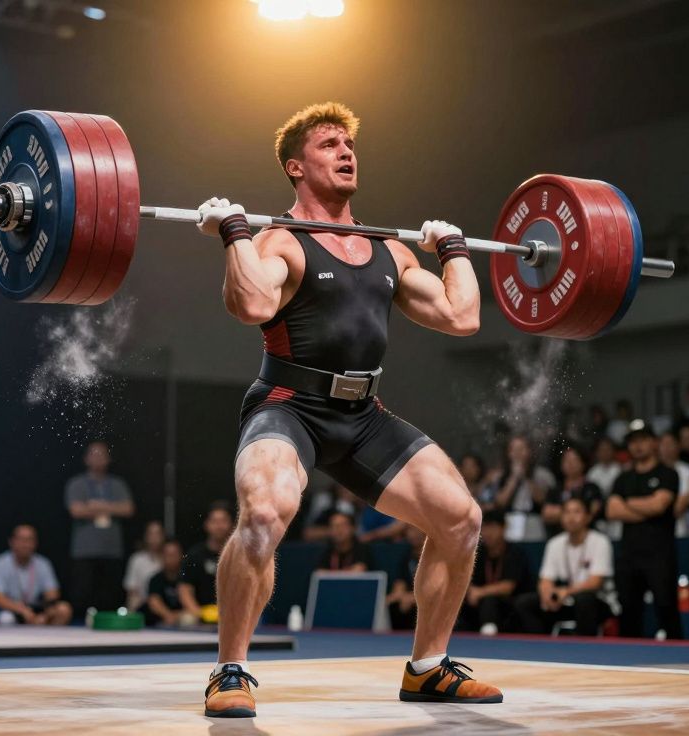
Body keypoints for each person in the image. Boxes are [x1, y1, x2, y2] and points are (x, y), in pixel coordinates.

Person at [195, 102, 500, 717]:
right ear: (295, 167)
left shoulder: (387, 248)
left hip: (363, 417)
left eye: (349, 143)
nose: (346, 151)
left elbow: (461, 316)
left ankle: (428, 669)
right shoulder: (280, 239)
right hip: (289, 406)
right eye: (329, 143)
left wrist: (455, 249)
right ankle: (231, 670)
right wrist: (233, 233)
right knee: (263, 514)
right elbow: (251, 305)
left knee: (461, 519)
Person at [607, 428, 681, 638]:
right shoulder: (623, 478)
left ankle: (680, 659)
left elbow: (659, 505)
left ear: (654, 442)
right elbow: (612, 510)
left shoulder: (667, 473)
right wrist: (647, 507)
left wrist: (628, 502)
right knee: (629, 613)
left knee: (667, 609)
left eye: (643, 440)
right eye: (633, 441)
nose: (637, 445)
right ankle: (628, 663)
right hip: (629, 555)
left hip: (660, 554)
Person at [514, 497, 615, 636]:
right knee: (524, 603)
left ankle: (586, 648)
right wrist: (547, 595)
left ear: (588, 517)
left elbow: (595, 583)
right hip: (564, 601)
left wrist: (566, 591)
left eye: (577, 512)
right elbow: (545, 580)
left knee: (584, 599)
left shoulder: (600, 542)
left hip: (596, 602)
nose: (571, 517)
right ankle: (538, 646)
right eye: (567, 512)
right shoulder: (555, 543)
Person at [64, 441, 135, 613]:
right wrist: (111, 507)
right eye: (94, 454)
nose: (98, 458)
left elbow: (128, 509)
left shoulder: (118, 484)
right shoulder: (77, 484)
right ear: (86, 459)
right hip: (84, 551)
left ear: (109, 459)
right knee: (83, 594)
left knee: (109, 596)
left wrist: (96, 505)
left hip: (111, 550)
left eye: (102, 454)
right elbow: (76, 511)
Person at [0, 524, 71, 626]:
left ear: (35, 543)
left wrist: (47, 612)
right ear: (11, 542)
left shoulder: (43, 563)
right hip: (10, 608)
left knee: (63, 609)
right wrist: (22, 610)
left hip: (35, 608)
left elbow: (52, 593)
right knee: (6, 618)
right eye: (21, 539)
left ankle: (50, 641)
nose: (25, 544)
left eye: (30, 540)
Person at [461, 515, 529, 635]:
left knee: (490, 600)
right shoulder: (477, 553)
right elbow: (465, 578)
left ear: (503, 528)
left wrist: (480, 592)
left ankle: (489, 632)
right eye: (484, 528)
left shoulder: (515, 553)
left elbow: (507, 587)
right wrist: (470, 590)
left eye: (492, 528)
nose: (487, 533)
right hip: (478, 603)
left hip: (508, 604)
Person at [492, 435, 555, 542]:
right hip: (509, 522)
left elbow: (542, 499)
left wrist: (526, 476)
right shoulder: (501, 476)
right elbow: (500, 502)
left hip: (534, 522)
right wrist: (514, 478)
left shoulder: (542, 474)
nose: (517, 453)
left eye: (521, 449)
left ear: (529, 451)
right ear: (508, 453)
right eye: (513, 449)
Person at [178, 504, 233, 623]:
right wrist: (200, 613)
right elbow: (184, 589)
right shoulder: (194, 555)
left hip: (232, 614)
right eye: (215, 521)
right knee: (187, 620)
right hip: (199, 613)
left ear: (231, 525)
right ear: (207, 525)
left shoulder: (238, 555)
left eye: (223, 521)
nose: (219, 526)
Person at [541, 446, 602, 538]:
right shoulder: (556, 489)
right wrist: (577, 513)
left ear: (583, 463)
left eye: (574, 460)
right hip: (558, 537)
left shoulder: (592, 488)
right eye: (566, 460)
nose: (570, 464)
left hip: (587, 538)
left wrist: (560, 512)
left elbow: (594, 510)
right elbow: (547, 514)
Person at [659, 431, 689, 537]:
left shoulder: (688, 471)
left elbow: (679, 507)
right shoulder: (652, 470)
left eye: (670, 444)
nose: (666, 448)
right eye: (663, 444)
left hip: (682, 530)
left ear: (678, 446)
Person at [385, 525, 425, 631]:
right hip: (408, 599)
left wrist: (414, 598)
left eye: (417, 529)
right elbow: (400, 583)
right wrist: (396, 595)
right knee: (393, 603)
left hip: (431, 600)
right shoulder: (406, 556)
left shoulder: (436, 556)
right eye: (410, 529)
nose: (413, 534)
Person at [123, 520, 165, 612]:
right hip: (143, 607)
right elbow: (132, 590)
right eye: (151, 533)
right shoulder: (136, 559)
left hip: (165, 607)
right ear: (145, 536)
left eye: (157, 533)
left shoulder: (169, 559)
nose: (154, 538)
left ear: (163, 536)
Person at [146, 539, 186, 626]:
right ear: (162, 556)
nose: (171, 558)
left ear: (180, 556)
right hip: (159, 623)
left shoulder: (187, 578)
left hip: (185, 621)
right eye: (168, 555)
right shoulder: (155, 579)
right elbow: (154, 601)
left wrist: (179, 616)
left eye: (174, 554)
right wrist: (168, 615)